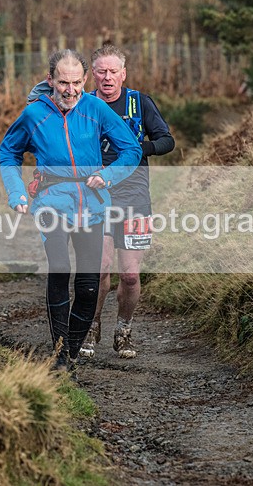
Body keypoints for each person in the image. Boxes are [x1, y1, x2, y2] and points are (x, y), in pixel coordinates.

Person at [0, 49, 142, 375]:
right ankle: (60, 355)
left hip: (91, 203)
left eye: (77, 82)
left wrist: (107, 175)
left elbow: (131, 149)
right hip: (51, 200)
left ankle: (72, 350)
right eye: (64, 82)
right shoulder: (36, 114)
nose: (71, 90)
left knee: (90, 283)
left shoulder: (95, 109)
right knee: (61, 268)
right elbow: (8, 151)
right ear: (51, 80)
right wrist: (16, 191)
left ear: (84, 80)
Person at [80, 44, 175, 359]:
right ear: (92, 74)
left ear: (123, 74)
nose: (107, 78)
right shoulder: (82, 104)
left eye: (112, 72)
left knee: (130, 274)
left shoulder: (139, 103)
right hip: (96, 196)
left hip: (134, 196)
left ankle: (124, 331)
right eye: (101, 71)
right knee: (100, 268)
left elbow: (166, 141)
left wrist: (137, 151)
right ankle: (90, 328)